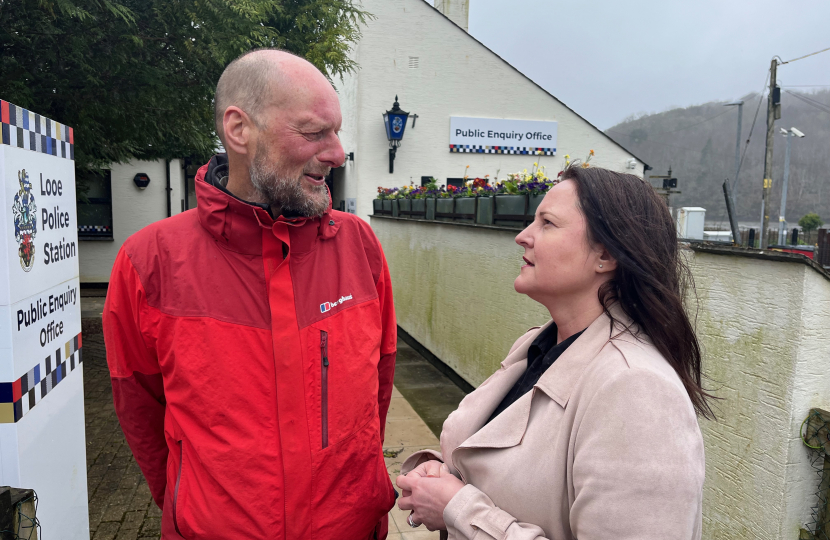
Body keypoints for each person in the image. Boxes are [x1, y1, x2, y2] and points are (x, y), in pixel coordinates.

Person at [103, 49, 398, 540]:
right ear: (239, 129)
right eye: (313, 133)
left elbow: (378, 390)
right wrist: (191, 507)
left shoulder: (359, 246)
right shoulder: (149, 261)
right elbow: (140, 409)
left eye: (337, 131)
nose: (336, 153)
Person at [396, 166, 709, 540]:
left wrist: (458, 508)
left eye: (547, 223)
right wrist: (442, 478)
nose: (522, 237)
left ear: (606, 256)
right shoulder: (537, 346)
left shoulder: (636, 387)